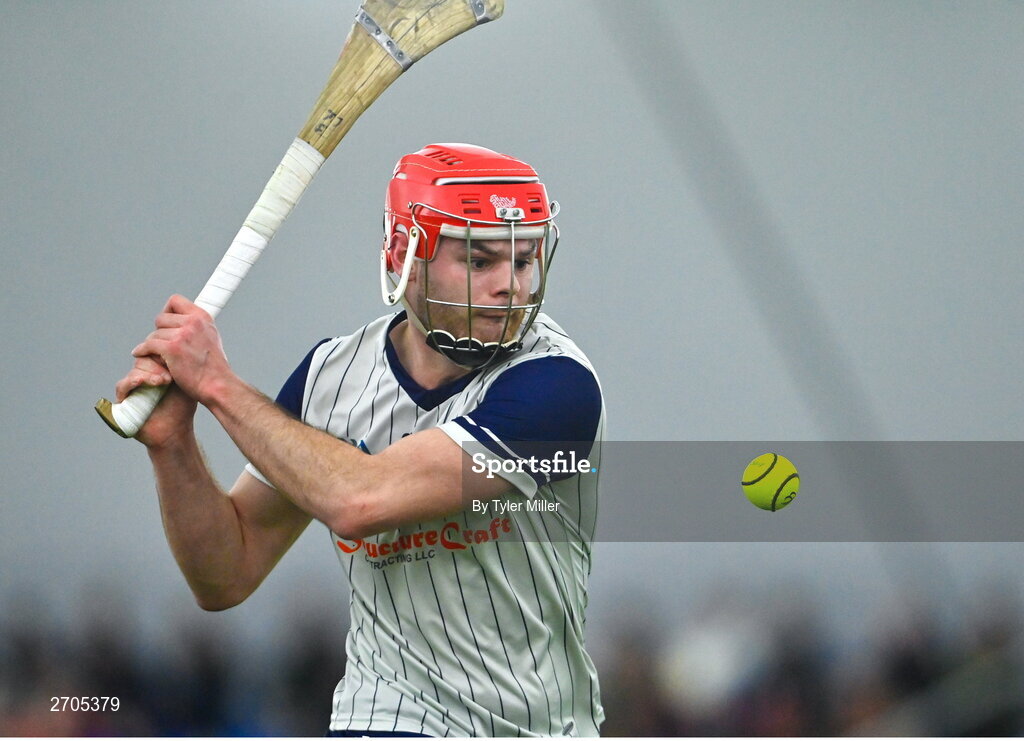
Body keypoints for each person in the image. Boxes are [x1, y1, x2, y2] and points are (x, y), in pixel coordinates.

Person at [116, 143, 605, 737]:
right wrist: (173, 445)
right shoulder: (330, 376)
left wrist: (216, 384)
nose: (511, 286)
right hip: (382, 717)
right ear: (406, 257)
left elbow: (359, 503)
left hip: (530, 726)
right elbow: (226, 574)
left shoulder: (558, 387)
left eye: (524, 260)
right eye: (479, 262)